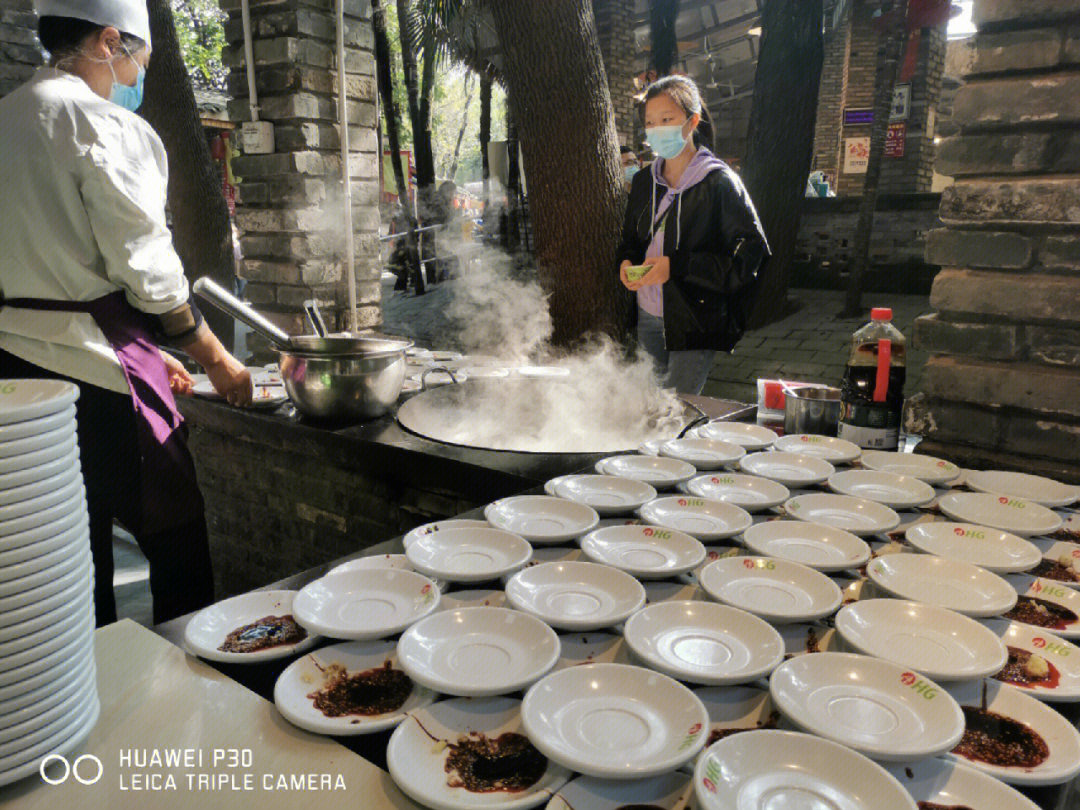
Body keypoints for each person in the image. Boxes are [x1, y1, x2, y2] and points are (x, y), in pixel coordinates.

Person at [0, 1, 253, 626]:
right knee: (178, 535)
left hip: (12, 376)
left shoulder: (7, 117)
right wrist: (219, 361)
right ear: (109, 41)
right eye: (141, 59)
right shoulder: (101, 124)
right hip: (93, 384)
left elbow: (55, 276)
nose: (138, 75)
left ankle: (94, 695)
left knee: (66, 557)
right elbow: (150, 274)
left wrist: (148, 348)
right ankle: (185, 684)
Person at [617, 75, 770, 395]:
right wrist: (625, 262)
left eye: (667, 119)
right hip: (647, 316)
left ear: (691, 122)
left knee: (677, 414)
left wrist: (675, 266)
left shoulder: (719, 182)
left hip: (694, 318)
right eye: (650, 122)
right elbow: (631, 240)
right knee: (649, 410)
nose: (657, 129)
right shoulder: (645, 182)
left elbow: (749, 257)